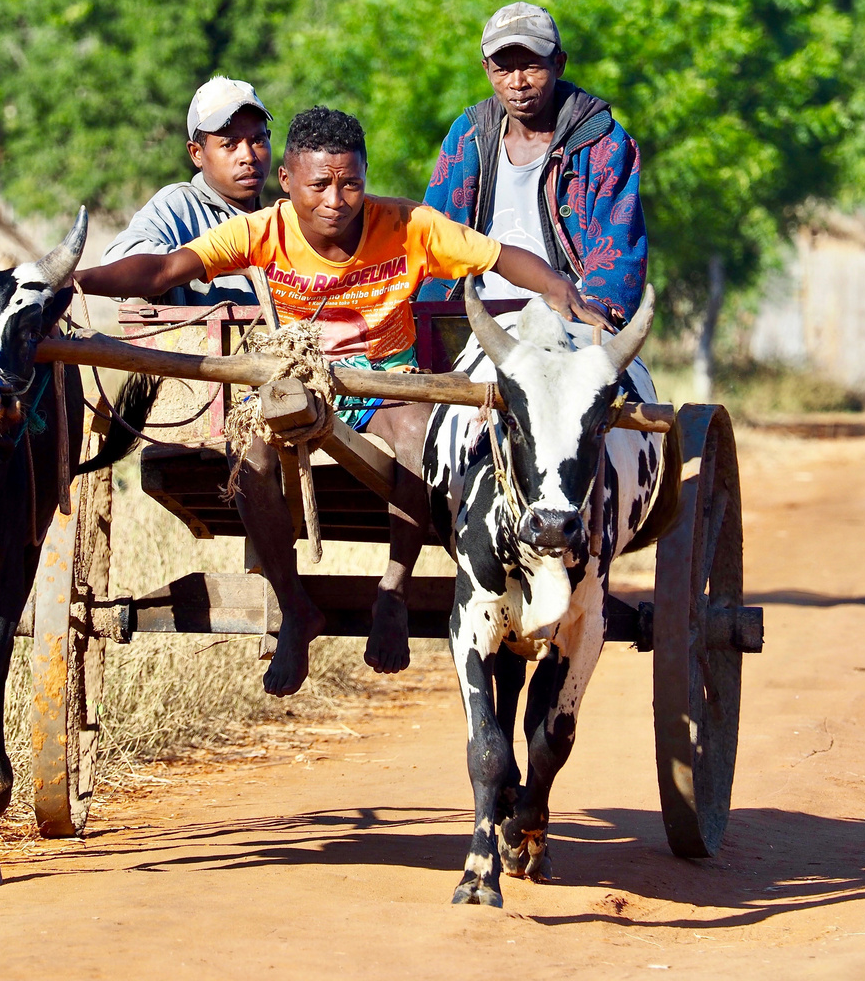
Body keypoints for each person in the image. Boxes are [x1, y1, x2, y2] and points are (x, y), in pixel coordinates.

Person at [78, 107, 612, 697]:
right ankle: (295, 609)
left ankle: (394, 592)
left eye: (351, 182)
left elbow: (497, 255)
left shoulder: (408, 225)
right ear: (288, 183)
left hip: (389, 380)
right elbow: (163, 269)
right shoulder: (263, 231)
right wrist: (76, 280)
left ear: (364, 176)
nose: (337, 199)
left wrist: (560, 289)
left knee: (418, 442)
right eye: (320, 185)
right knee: (248, 463)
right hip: (300, 376)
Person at [421, 2, 647, 325]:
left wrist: (594, 311)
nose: (517, 82)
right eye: (503, 69)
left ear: (559, 64)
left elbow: (619, 246)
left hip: (567, 319)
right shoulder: (467, 136)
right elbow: (432, 229)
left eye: (531, 66)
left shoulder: (602, 142)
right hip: (472, 318)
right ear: (486, 70)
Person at [99, 75, 274, 305]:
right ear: (196, 153)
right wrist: (213, 261)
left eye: (258, 141)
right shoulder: (180, 205)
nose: (248, 156)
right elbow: (117, 259)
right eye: (229, 144)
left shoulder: (283, 216)